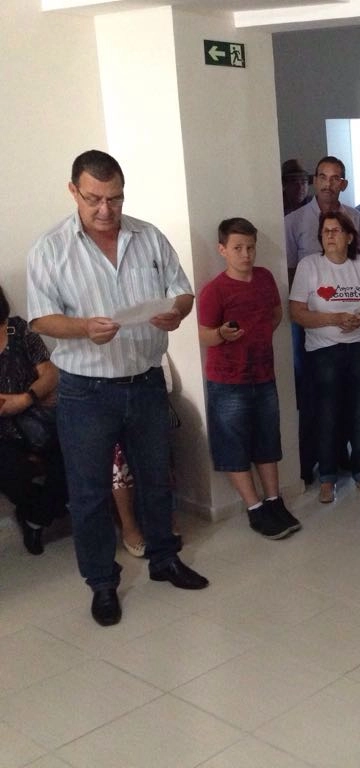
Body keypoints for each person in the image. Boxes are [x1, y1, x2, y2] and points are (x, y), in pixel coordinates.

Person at [27, 149, 208, 628]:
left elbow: (182, 288)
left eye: (115, 198)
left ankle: (165, 559)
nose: (106, 210)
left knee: (156, 477)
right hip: (86, 392)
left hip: (145, 381)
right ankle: (102, 583)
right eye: (94, 199)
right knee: (88, 493)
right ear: (74, 192)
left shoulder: (148, 237)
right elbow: (41, 318)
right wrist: (85, 327)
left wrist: (179, 310)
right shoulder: (50, 249)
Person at [198, 217, 300, 539]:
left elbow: (274, 314)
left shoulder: (266, 278)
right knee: (234, 444)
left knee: (267, 440)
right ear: (223, 249)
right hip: (228, 381)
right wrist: (222, 335)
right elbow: (203, 335)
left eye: (250, 247)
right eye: (238, 248)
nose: (246, 254)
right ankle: (254, 508)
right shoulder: (214, 290)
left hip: (263, 375)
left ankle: (274, 500)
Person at [289, 211, 360, 502]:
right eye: (325, 231)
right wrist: (334, 320)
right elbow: (297, 313)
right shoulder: (310, 265)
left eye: (335, 230)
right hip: (324, 351)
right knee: (327, 414)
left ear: (350, 236)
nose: (329, 235)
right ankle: (327, 478)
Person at [0, 284, 66, 556]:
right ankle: (39, 513)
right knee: (13, 475)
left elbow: (50, 374)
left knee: (73, 462)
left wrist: (26, 398)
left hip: (38, 419)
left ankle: (35, 519)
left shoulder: (18, 329)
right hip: (2, 432)